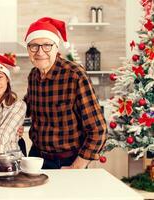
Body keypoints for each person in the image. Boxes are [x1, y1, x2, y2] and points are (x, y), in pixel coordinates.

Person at [24, 17, 107, 169]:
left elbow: (98, 130)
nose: (40, 52)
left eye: (47, 45)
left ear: (56, 47)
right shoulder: (33, 75)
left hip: (67, 161)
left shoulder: (75, 75)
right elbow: (27, 107)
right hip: (36, 157)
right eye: (34, 46)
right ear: (28, 49)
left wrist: (76, 167)